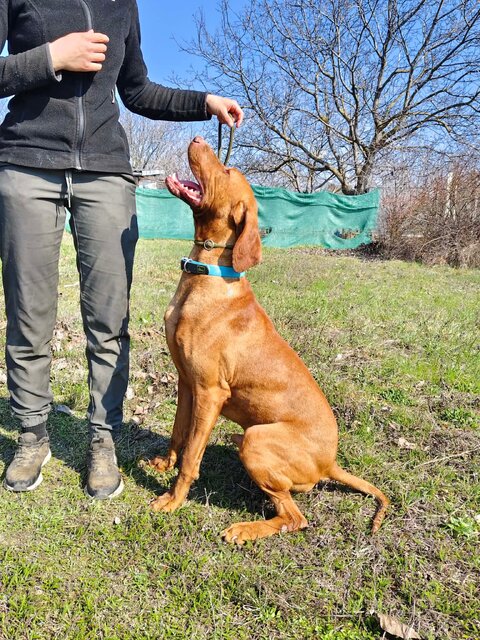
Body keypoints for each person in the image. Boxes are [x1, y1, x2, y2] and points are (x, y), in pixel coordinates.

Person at [0, 1, 243, 499]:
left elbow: (137, 90)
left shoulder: (121, 4)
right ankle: (31, 434)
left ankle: (103, 437)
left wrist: (205, 101)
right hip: (26, 164)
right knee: (28, 313)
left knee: (108, 318)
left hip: (105, 171)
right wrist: (52, 57)